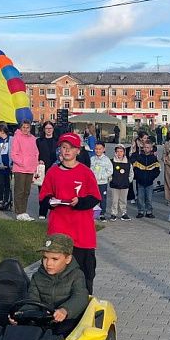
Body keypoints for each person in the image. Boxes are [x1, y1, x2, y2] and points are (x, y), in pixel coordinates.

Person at [38, 133, 102, 293]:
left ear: (78, 151)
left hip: (82, 231)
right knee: (55, 272)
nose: (67, 151)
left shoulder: (86, 172)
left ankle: (83, 304)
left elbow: (95, 197)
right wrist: (51, 202)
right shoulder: (53, 172)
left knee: (84, 273)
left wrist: (79, 202)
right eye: (64, 147)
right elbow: (43, 196)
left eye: (71, 148)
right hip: (59, 228)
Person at [10, 233, 89, 336]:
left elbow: (80, 296)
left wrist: (65, 310)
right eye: (45, 258)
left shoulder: (76, 275)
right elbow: (32, 300)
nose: (48, 263)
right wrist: (21, 315)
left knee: (62, 334)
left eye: (54, 259)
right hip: (44, 320)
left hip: (69, 321)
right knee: (19, 332)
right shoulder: (38, 277)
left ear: (68, 259)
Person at [10, 120, 38, 221]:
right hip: (20, 168)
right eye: (24, 127)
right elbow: (14, 154)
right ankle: (18, 212)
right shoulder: (17, 138)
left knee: (27, 191)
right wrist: (22, 162)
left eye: (27, 127)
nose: (26, 129)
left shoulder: (33, 138)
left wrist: (35, 165)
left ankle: (24, 211)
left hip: (30, 168)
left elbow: (36, 152)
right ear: (21, 128)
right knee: (19, 191)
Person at [36, 121, 59, 219]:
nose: (49, 130)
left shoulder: (58, 141)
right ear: (44, 129)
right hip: (42, 169)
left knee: (55, 191)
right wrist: (38, 160)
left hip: (55, 168)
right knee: (43, 191)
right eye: (47, 128)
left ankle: (54, 212)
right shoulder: (39, 141)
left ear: (53, 129)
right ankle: (42, 212)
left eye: (50, 128)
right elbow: (35, 154)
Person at [132, 141, 160, 218]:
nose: (146, 149)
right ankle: (140, 211)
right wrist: (138, 176)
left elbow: (157, 170)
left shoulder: (154, 159)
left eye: (148, 147)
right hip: (140, 182)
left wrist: (152, 177)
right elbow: (135, 169)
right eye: (144, 147)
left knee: (149, 198)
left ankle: (149, 211)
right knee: (140, 198)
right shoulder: (139, 157)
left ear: (151, 148)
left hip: (150, 183)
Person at [108, 144, 133, 221]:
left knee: (123, 200)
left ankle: (123, 213)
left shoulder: (128, 162)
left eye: (121, 151)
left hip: (124, 184)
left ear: (124, 152)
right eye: (117, 151)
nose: (119, 153)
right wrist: (110, 179)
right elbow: (109, 172)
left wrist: (129, 180)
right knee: (114, 200)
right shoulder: (112, 162)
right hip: (114, 185)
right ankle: (113, 213)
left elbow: (131, 173)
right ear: (115, 152)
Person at [0, 124, 13, 210]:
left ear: (2, 131)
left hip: (9, 165)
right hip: (0, 166)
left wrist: (12, 164)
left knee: (8, 184)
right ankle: (1, 200)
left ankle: (7, 200)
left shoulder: (11, 140)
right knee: (1, 184)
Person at [90, 142, 113, 222]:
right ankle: (95, 215)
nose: (98, 151)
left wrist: (102, 177)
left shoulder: (106, 160)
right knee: (94, 199)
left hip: (102, 183)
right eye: (96, 149)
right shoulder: (92, 159)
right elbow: (89, 170)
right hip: (93, 183)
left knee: (102, 199)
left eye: (100, 149)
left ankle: (102, 214)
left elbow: (110, 171)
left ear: (103, 149)